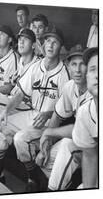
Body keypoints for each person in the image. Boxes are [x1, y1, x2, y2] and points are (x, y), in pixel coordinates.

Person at [0, 28, 70, 192]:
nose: (50, 45)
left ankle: (33, 178)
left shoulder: (64, 74)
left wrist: (48, 113)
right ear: (43, 44)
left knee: (20, 138)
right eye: (47, 41)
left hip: (50, 122)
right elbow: (20, 94)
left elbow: (66, 113)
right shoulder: (36, 66)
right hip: (33, 114)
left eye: (55, 42)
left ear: (61, 47)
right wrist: (6, 111)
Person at [0, 28, 39, 154]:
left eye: (25, 40)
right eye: (20, 40)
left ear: (33, 45)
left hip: (25, 105)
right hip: (12, 100)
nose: (21, 43)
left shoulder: (37, 64)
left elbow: (16, 91)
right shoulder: (22, 61)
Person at [37, 45, 92, 191]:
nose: (78, 70)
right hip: (85, 143)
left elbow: (81, 131)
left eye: (83, 64)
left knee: (67, 144)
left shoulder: (96, 91)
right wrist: (46, 143)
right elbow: (57, 116)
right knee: (46, 161)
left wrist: (49, 133)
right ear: (68, 66)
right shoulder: (70, 86)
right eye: (74, 64)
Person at [72, 47, 98, 188]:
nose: (98, 75)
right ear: (86, 77)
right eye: (93, 69)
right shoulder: (85, 112)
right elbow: (90, 156)